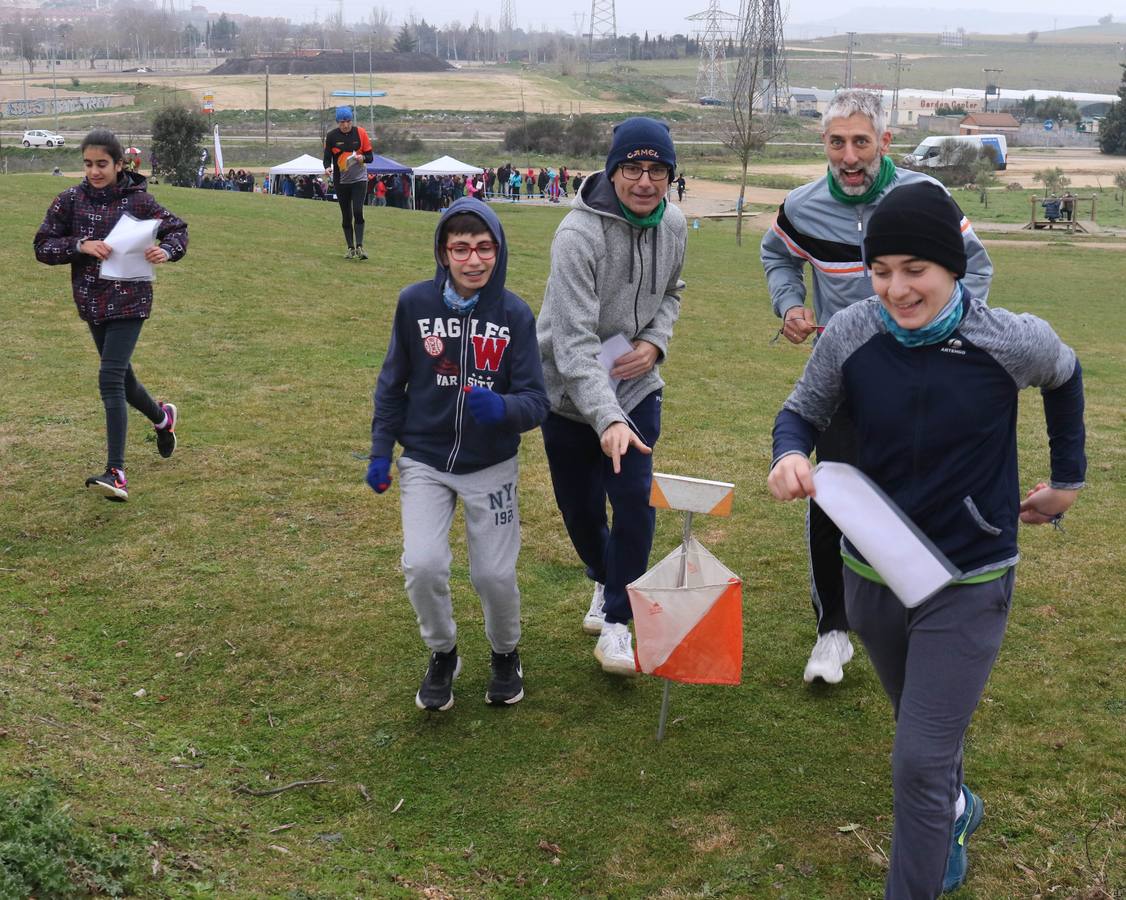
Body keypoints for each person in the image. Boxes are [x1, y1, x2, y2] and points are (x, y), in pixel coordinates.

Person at [767, 180, 1085, 899]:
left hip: (967, 579)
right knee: (925, 731)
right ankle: (954, 808)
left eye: (915, 271)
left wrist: (1067, 481)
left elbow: (1065, 375)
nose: (897, 289)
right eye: (881, 272)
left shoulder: (1006, 339)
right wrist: (788, 455)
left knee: (916, 757)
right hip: (871, 574)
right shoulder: (852, 332)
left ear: (951, 267)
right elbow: (801, 413)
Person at [760, 89, 994, 686]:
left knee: (920, 492)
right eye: (837, 142)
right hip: (845, 380)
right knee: (832, 495)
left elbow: (977, 266)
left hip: (925, 377)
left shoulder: (926, 198)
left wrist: (952, 338)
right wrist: (789, 304)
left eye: (861, 141)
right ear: (825, 145)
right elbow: (778, 256)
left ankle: (926, 605)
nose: (848, 155)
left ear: (885, 142)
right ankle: (832, 631)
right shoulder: (803, 206)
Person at [368, 197, 549, 712]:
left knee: (493, 575)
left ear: (499, 250)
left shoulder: (514, 314)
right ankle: (443, 653)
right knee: (422, 564)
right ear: (443, 254)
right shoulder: (414, 304)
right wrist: (382, 451)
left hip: (491, 467)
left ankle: (505, 654)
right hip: (424, 461)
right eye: (461, 249)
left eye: (484, 248)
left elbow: (537, 401)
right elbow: (391, 383)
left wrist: (505, 409)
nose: (474, 260)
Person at [538, 117, 687, 675]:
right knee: (579, 510)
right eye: (632, 168)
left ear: (670, 176)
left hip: (637, 384)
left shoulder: (675, 224)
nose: (644, 181)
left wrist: (654, 343)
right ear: (613, 171)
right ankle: (604, 577)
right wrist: (606, 419)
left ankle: (619, 624)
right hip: (567, 396)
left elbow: (673, 292)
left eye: (657, 170)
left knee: (633, 498)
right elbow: (574, 346)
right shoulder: (578, 236)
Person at [33, 128, 188, 502]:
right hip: (91, 303)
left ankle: (116, 472)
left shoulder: (139, 201)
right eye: (88, 164)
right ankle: (163, 418)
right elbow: (43, 246)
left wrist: (166, 250)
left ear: (119, 164)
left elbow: (177, 230)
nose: (94, 171)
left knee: (109, 378)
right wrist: (79, 245)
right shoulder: (69, 200)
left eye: (102, 164)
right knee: (124, 379)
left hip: (131, 300)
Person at [323, 106, 374, 259]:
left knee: (358, 211)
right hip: (341, 181)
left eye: (348, 121)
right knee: (346, 215)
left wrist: (362, 158)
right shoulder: (331, 136)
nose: (345, 125)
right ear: (337, 122)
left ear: (352, 120)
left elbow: (370, 156)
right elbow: (327, 158)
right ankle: (350, 248)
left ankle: (360, 246)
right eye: (342, 122)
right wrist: (327, 168)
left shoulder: (361, 133)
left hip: (359, 179)